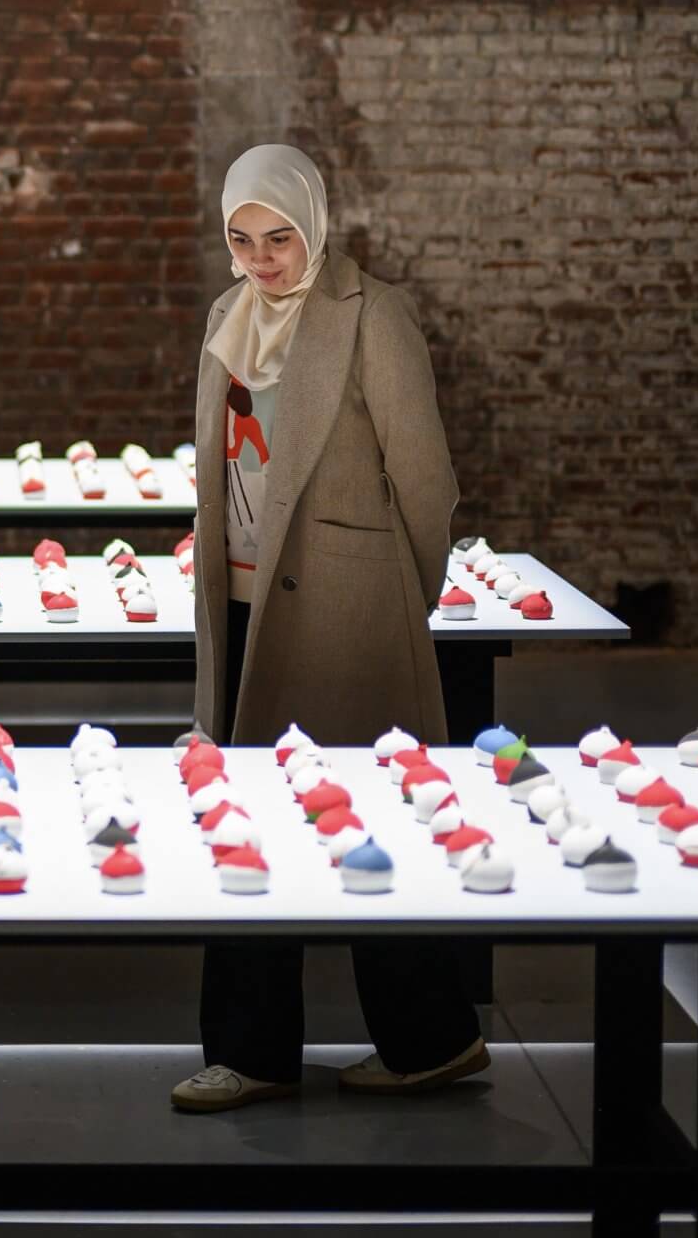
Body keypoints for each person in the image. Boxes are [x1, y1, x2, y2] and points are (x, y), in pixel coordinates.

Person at [170, 143, 489, 1112]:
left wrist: (396, 595)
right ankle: (252, 1049)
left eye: (278, 237)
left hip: (347, 615)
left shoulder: (370, 314)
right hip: (242, 610)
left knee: (368, 822)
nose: (261, 258)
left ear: (312, 224)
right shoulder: (229, 320)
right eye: (241, 238)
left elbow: (425, 482)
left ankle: (430, 1038)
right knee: (245, 823)